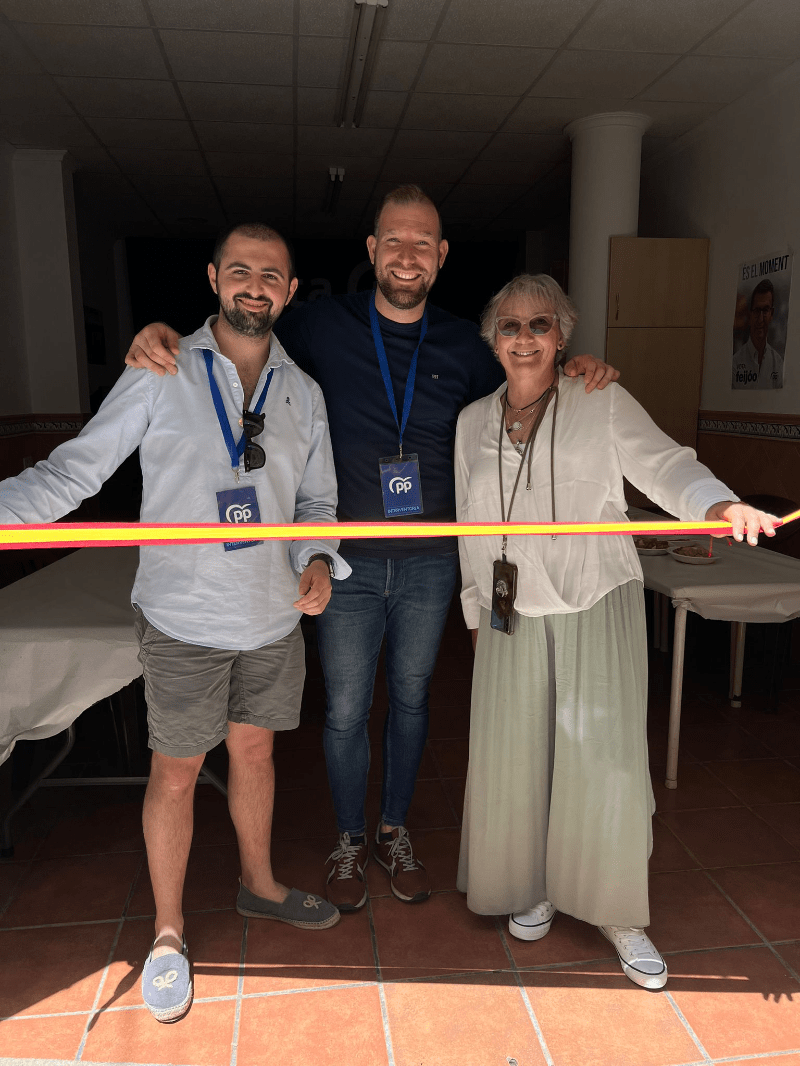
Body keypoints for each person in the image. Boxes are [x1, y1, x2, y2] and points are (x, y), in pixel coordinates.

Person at [124, 185, 619, 913]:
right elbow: (240, 326)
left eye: (422, 243)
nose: (407, 256)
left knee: (412, 701)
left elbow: (530, 374)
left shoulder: (468, 344)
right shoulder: (321, 325)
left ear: (441, 255)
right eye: (394, 240)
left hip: (429, 561)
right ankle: (349, 838)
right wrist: (159, 331)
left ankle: (394, 829)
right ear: (371, 250)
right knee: (347, 709)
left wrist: (579, 367)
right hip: (345, 561)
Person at [0, 223, 351, 1023]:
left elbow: (318, 501)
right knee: (177, 772)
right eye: (240, 271)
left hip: (272, 615)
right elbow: (76, 469)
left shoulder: (303, 391)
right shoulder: (159, 368)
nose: (255, 286)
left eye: (271, 274)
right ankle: (167, 932)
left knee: (255, 753)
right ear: (213, 279)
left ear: (292, 291)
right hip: (183, 614)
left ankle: (259, 884)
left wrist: (319, 559)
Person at [454, 273, 777, 990]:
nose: (525, 338)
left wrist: (719, 507)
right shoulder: (471, 420)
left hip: (594, 600)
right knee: (520, 758)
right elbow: (468, 528)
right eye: (510, 325)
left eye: (541, 324)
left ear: (562, 335)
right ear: (492, 340)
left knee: (603, 763)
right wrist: (477, 614)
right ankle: (532, 885)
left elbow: (666, 466)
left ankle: (616, 911)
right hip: (512, 615)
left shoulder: (598, 399)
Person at [732, 278, 783, 389]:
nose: (760, 319)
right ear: (749, 314)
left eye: (765, 310)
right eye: (756, 311)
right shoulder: (735, 363)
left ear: (771, 314)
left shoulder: (778, 363)